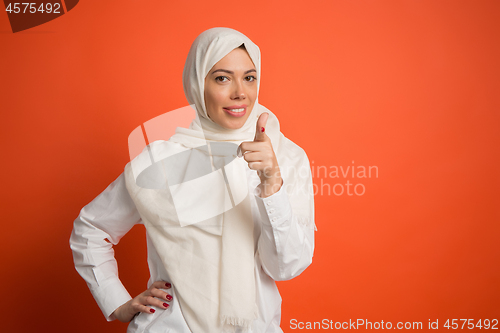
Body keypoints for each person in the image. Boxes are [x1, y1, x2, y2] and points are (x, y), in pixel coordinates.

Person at [70, 27, 316, 333]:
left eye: (249, 77)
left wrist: (270, 184)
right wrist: (115, 301)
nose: (240, 92)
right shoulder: (159, 163)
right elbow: (90, 229)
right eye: (222, 78)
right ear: (197, 83)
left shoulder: (284, 156)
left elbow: (286, 267)